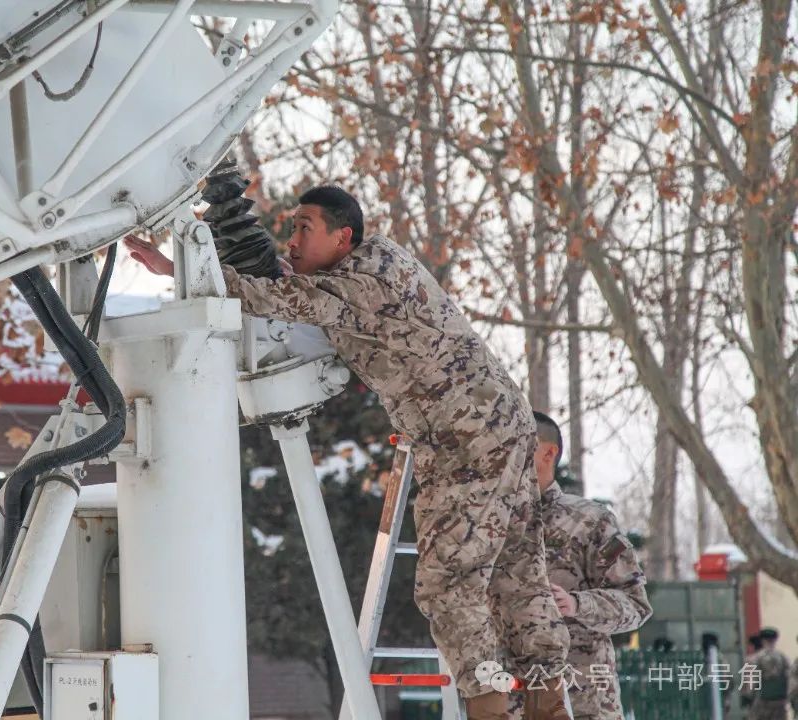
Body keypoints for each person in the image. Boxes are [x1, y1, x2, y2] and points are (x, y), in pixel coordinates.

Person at [125, 185, 571, 719]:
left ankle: (490, 711)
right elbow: (305, 292)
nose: (292, 241)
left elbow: (283, 300)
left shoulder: (360, 284)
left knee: (449, 583)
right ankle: (552, 708)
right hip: (504, 427)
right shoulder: (375, 267)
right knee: (517, 573)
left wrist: (178, 267)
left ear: (343, 237)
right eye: (292, 228)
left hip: (462, 443)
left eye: (304, 228)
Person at [508, 412, 650, 720]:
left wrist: (576, 604)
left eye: (519, 446)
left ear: (548, 453)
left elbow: (636, 605)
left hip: (581, 701)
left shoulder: (591, 522)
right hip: (508, 699)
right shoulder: (488, 525)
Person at [744, 627, 789, 720]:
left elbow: (751, 683)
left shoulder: (754, 658)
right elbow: (788, 678)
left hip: (761, 702)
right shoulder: (783, 657)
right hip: (779, 702)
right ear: (775, 640)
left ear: (762, 640)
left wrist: (747, 697)